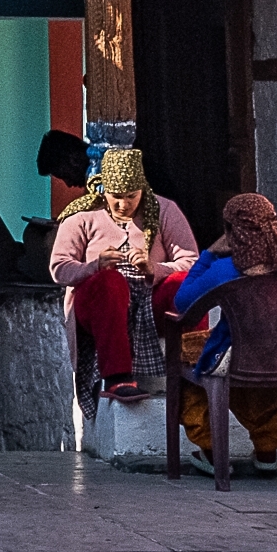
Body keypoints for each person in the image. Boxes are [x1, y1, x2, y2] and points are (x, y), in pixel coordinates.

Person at [170, 191, 277, 472]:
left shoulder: (224, 269)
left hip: (236, 357)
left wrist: (207, 255)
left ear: (231, 231)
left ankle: (212, 450)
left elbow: (182, 301)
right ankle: (267, 450)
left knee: (189, 368)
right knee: (254, 387)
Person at [48, 147, 197, 401]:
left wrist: (155, 269)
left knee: (184, 285)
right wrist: (94, 266)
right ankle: (118, 378)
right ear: (103, 189)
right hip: (101, 302)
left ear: (143, 189)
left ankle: (193, 366)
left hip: (149, 301)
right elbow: (59, 268)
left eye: (131, 196)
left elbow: (191, 262)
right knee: (110, 281)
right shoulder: (81, 217)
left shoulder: (165, 210)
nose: (123, 204)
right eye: (116, 196)